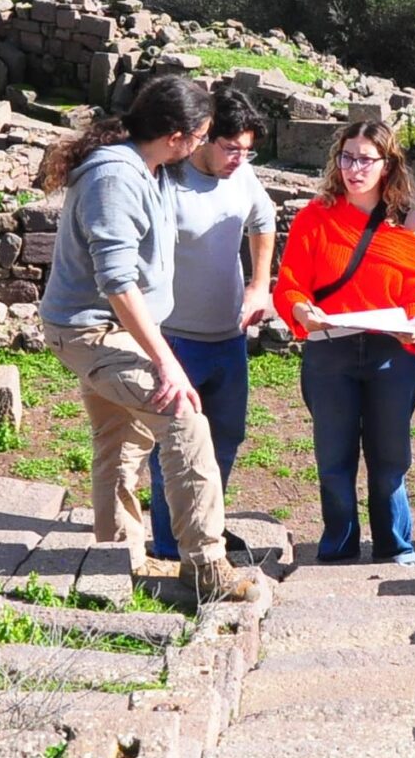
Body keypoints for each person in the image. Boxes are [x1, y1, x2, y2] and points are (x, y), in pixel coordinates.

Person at [37, 74, 258, 605]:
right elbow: (116, 281)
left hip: (114, 328)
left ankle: (116, 559)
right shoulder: (115, 178)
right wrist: (168, 363)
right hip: (91, 330)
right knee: (183, 418)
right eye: (203, 134)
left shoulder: (147, 166)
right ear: (178, 136)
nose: (206, 144)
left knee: (120, 438)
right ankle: (206, 565)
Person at [274, 117, 415, 564]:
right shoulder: (315, 216)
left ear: (388, 165)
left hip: (390, 351)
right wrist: (300, 310)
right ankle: (338, 549)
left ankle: (394, 548)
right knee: (334, 459)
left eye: (366, 159)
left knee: (390, 461)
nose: (355, 168)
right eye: (347, 157)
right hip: (330, 350)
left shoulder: (406, 222)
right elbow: (289, 284)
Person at [146, 87, 277, 562]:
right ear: (202, 138)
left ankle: (206, 529)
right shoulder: (167, 178)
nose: (239, 160)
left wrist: (260, 285)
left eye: (248, 151)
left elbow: (265, 219)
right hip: (175, 338)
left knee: (226, 436)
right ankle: (167, 545)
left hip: (228, 338)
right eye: (230, 148)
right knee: (175, 446)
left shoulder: (243, 177)